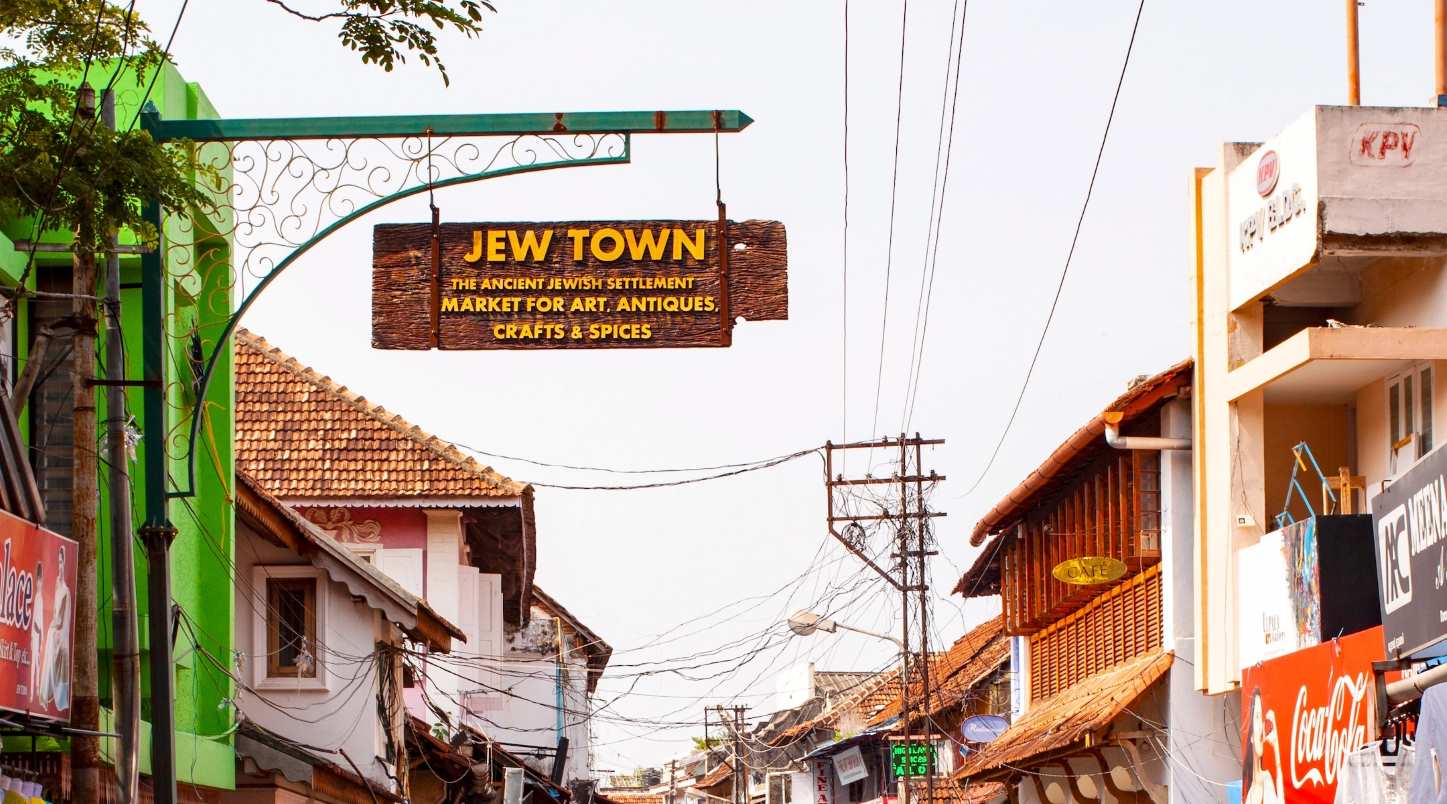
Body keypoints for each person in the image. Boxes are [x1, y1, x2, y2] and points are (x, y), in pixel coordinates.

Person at [1244, 689, 1284, 804]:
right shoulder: (1250, 791)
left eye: (1262, 718)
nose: (1262, 727)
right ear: (1251, 736)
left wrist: (1276, 748)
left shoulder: (1265, 780)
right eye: (1257, 717)